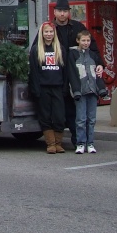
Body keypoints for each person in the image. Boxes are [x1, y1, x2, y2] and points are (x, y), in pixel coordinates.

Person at [51, 0, 104, 147]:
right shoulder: (49, 28)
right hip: (58, 73)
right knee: (64, 107)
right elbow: (39, 49)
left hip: (79, 74)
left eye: (65, 11)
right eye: (60, 11)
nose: (62, 14)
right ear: (54, 12)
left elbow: (92, 47)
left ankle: (80, 140)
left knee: (79, 108)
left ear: (69, 12)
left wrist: (99, 64)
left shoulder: (78, 27)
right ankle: (61, 139)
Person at [29, 22, 73, 154]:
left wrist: (65, 88)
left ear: (54, 34)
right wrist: (35, 89)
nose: (48, 35)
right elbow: (34, 71)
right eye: (46, 32)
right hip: (43, 88)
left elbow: (66, 72)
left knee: (59, 116)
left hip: (58, 87)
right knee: (45, 116)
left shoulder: (61, 49)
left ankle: (59, 143)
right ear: (41, 34)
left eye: (51, 32)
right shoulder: (36, 49)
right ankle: (51, 144)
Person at [68, 30, 102, 153]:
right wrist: (75, 89)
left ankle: (90, 143)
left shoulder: (93, 54)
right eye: (83, 40)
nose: (86, 43)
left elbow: (98, 69)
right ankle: (80, 143)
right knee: (81, 119)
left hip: (92, 90)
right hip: (80, 91)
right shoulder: (73, 54)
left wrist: (100, 88)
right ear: (78, 41)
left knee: (91, 119)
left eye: (88, 40)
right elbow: (71, 73)